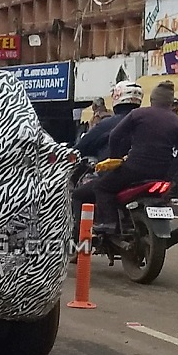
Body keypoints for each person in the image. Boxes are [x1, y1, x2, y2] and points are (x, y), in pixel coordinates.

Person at [92, 80, 178, 233]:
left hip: (133, 170)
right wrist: (171, 176)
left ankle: (108, 223)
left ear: (152, 99)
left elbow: (115, 136)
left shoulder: (138, 114)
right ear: (171, 103)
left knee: (101, 187)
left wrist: (115, 159)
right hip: (161, 174)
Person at [71, 80, 143, 245]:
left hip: (119, 174)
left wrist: (71, 153)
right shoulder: (145, 121)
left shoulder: (109, 123)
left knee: (79, 195)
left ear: (117, 97)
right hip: (149, 173)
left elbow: (83, 145)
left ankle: (79, 241)